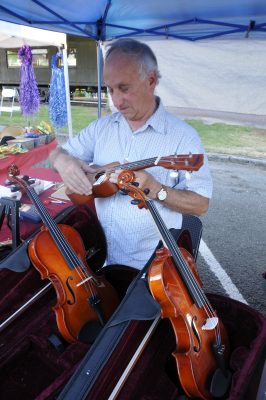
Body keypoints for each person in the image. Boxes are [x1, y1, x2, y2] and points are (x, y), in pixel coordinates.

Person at [49, 38, 213, 270]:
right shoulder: (102, 127)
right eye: (110, 89)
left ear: (151, 80)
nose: (116, 101)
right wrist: (63, 161)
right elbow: (56, 154)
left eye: (124, 89)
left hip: (152, 267)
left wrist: (157, 190)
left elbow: (201, 204)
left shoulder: (184, 138)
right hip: (100, 257)